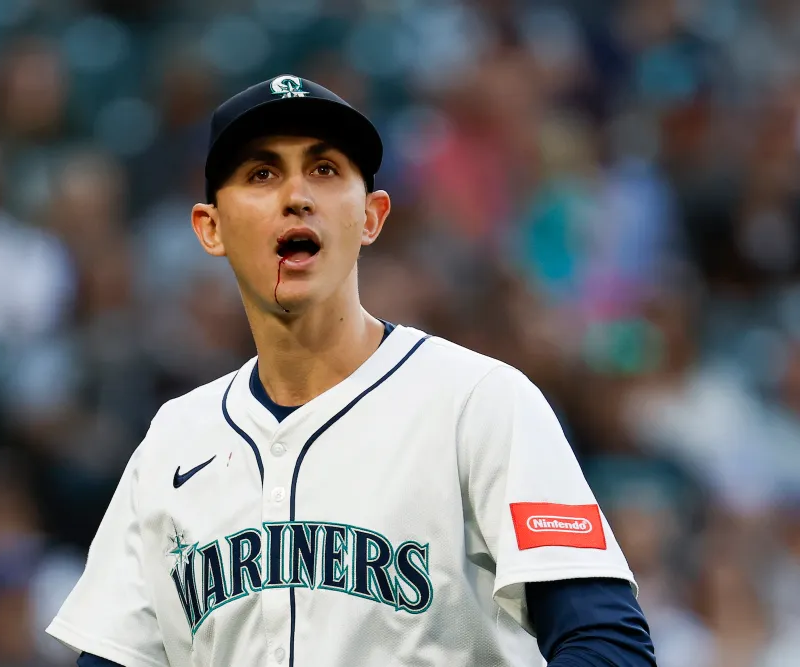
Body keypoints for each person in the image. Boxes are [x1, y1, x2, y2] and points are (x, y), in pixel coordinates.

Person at [46, 74, 656, 666]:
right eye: (262, 173)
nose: (297, 195)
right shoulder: (174, 440)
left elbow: (610, 645)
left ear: (371, 216)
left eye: (326, 170)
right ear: (211, 228)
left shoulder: (479, 402)